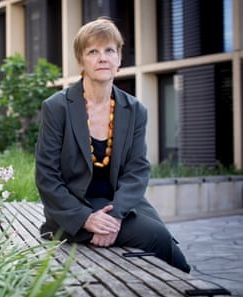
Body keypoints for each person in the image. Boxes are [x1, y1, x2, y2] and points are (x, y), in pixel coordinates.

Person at [34, 17, 191, 273]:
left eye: (110, 50)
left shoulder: (134, 109)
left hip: (119, 203)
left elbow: (137, 169)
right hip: (75, 207)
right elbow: (46, 176)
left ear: (119, 59)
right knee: (156, 238)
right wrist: (86, 219)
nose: (102, 58)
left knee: (164, 237)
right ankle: (190, 284)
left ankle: (188, 283)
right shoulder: (57, 107)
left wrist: (115, 216)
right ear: (81, 61)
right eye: (93, 51)